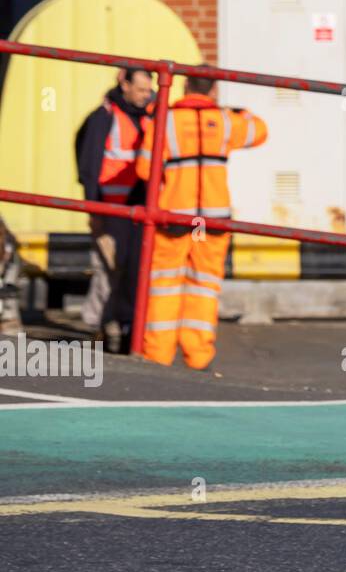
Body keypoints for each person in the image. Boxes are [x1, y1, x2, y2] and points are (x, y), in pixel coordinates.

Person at [135, 75, 267, 369]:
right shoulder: (225, 121)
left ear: (184, 87)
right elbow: (260, 131)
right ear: (214, 89)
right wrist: (239, 111)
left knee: (164, 286)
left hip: (174, 217)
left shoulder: (163, 121)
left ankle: (157, 357)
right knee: (204, 287)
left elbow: (145, 168)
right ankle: (198, 357)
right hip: (213, 220)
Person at [74, 66, 155, 352]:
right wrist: (94, 211)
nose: (147, 95)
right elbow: (89, 165)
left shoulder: (149, 116)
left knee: (133, 272)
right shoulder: (105, 118)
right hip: (112, 210)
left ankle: (124, 325)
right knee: (108, 271)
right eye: (142, 89)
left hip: (140, 212)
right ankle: (96, 327)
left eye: (149, 89)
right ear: (125, 84)